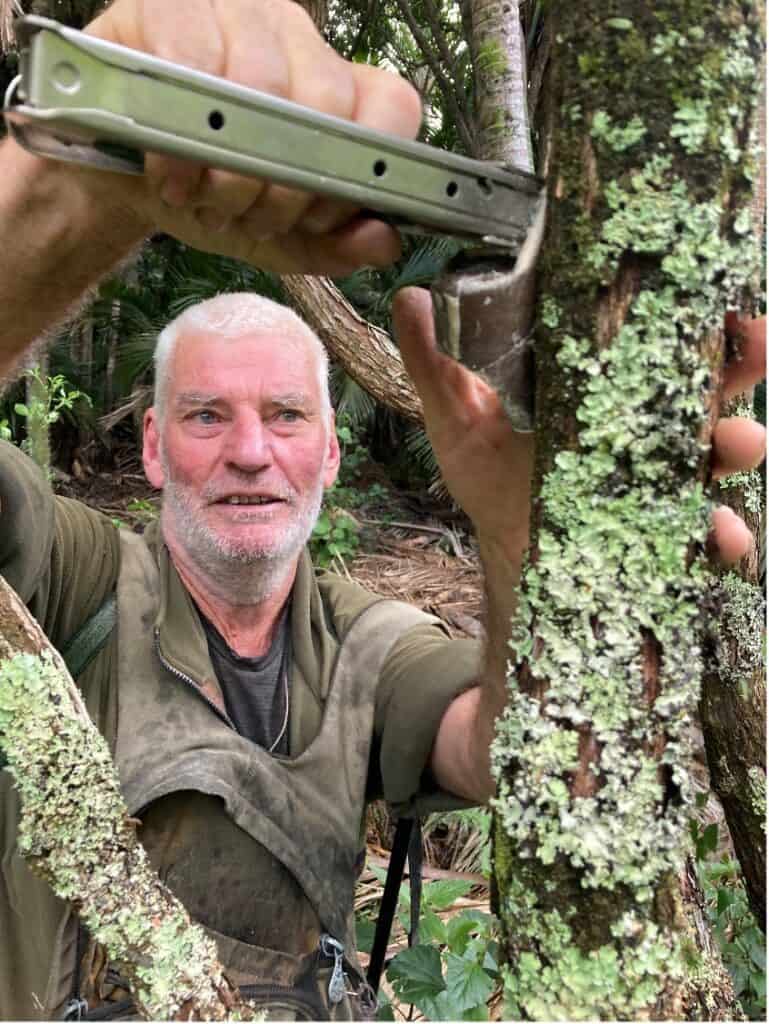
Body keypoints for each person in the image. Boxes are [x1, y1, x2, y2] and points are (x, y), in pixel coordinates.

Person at [0, 0, 764, 1020]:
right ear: (148, 447)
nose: (249, 449)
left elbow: (498, 746)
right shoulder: (70, 573)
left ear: (327, 451)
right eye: (204, 415)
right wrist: (74, 188)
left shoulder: (360, 639)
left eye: (284, 415)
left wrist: (515, 535)